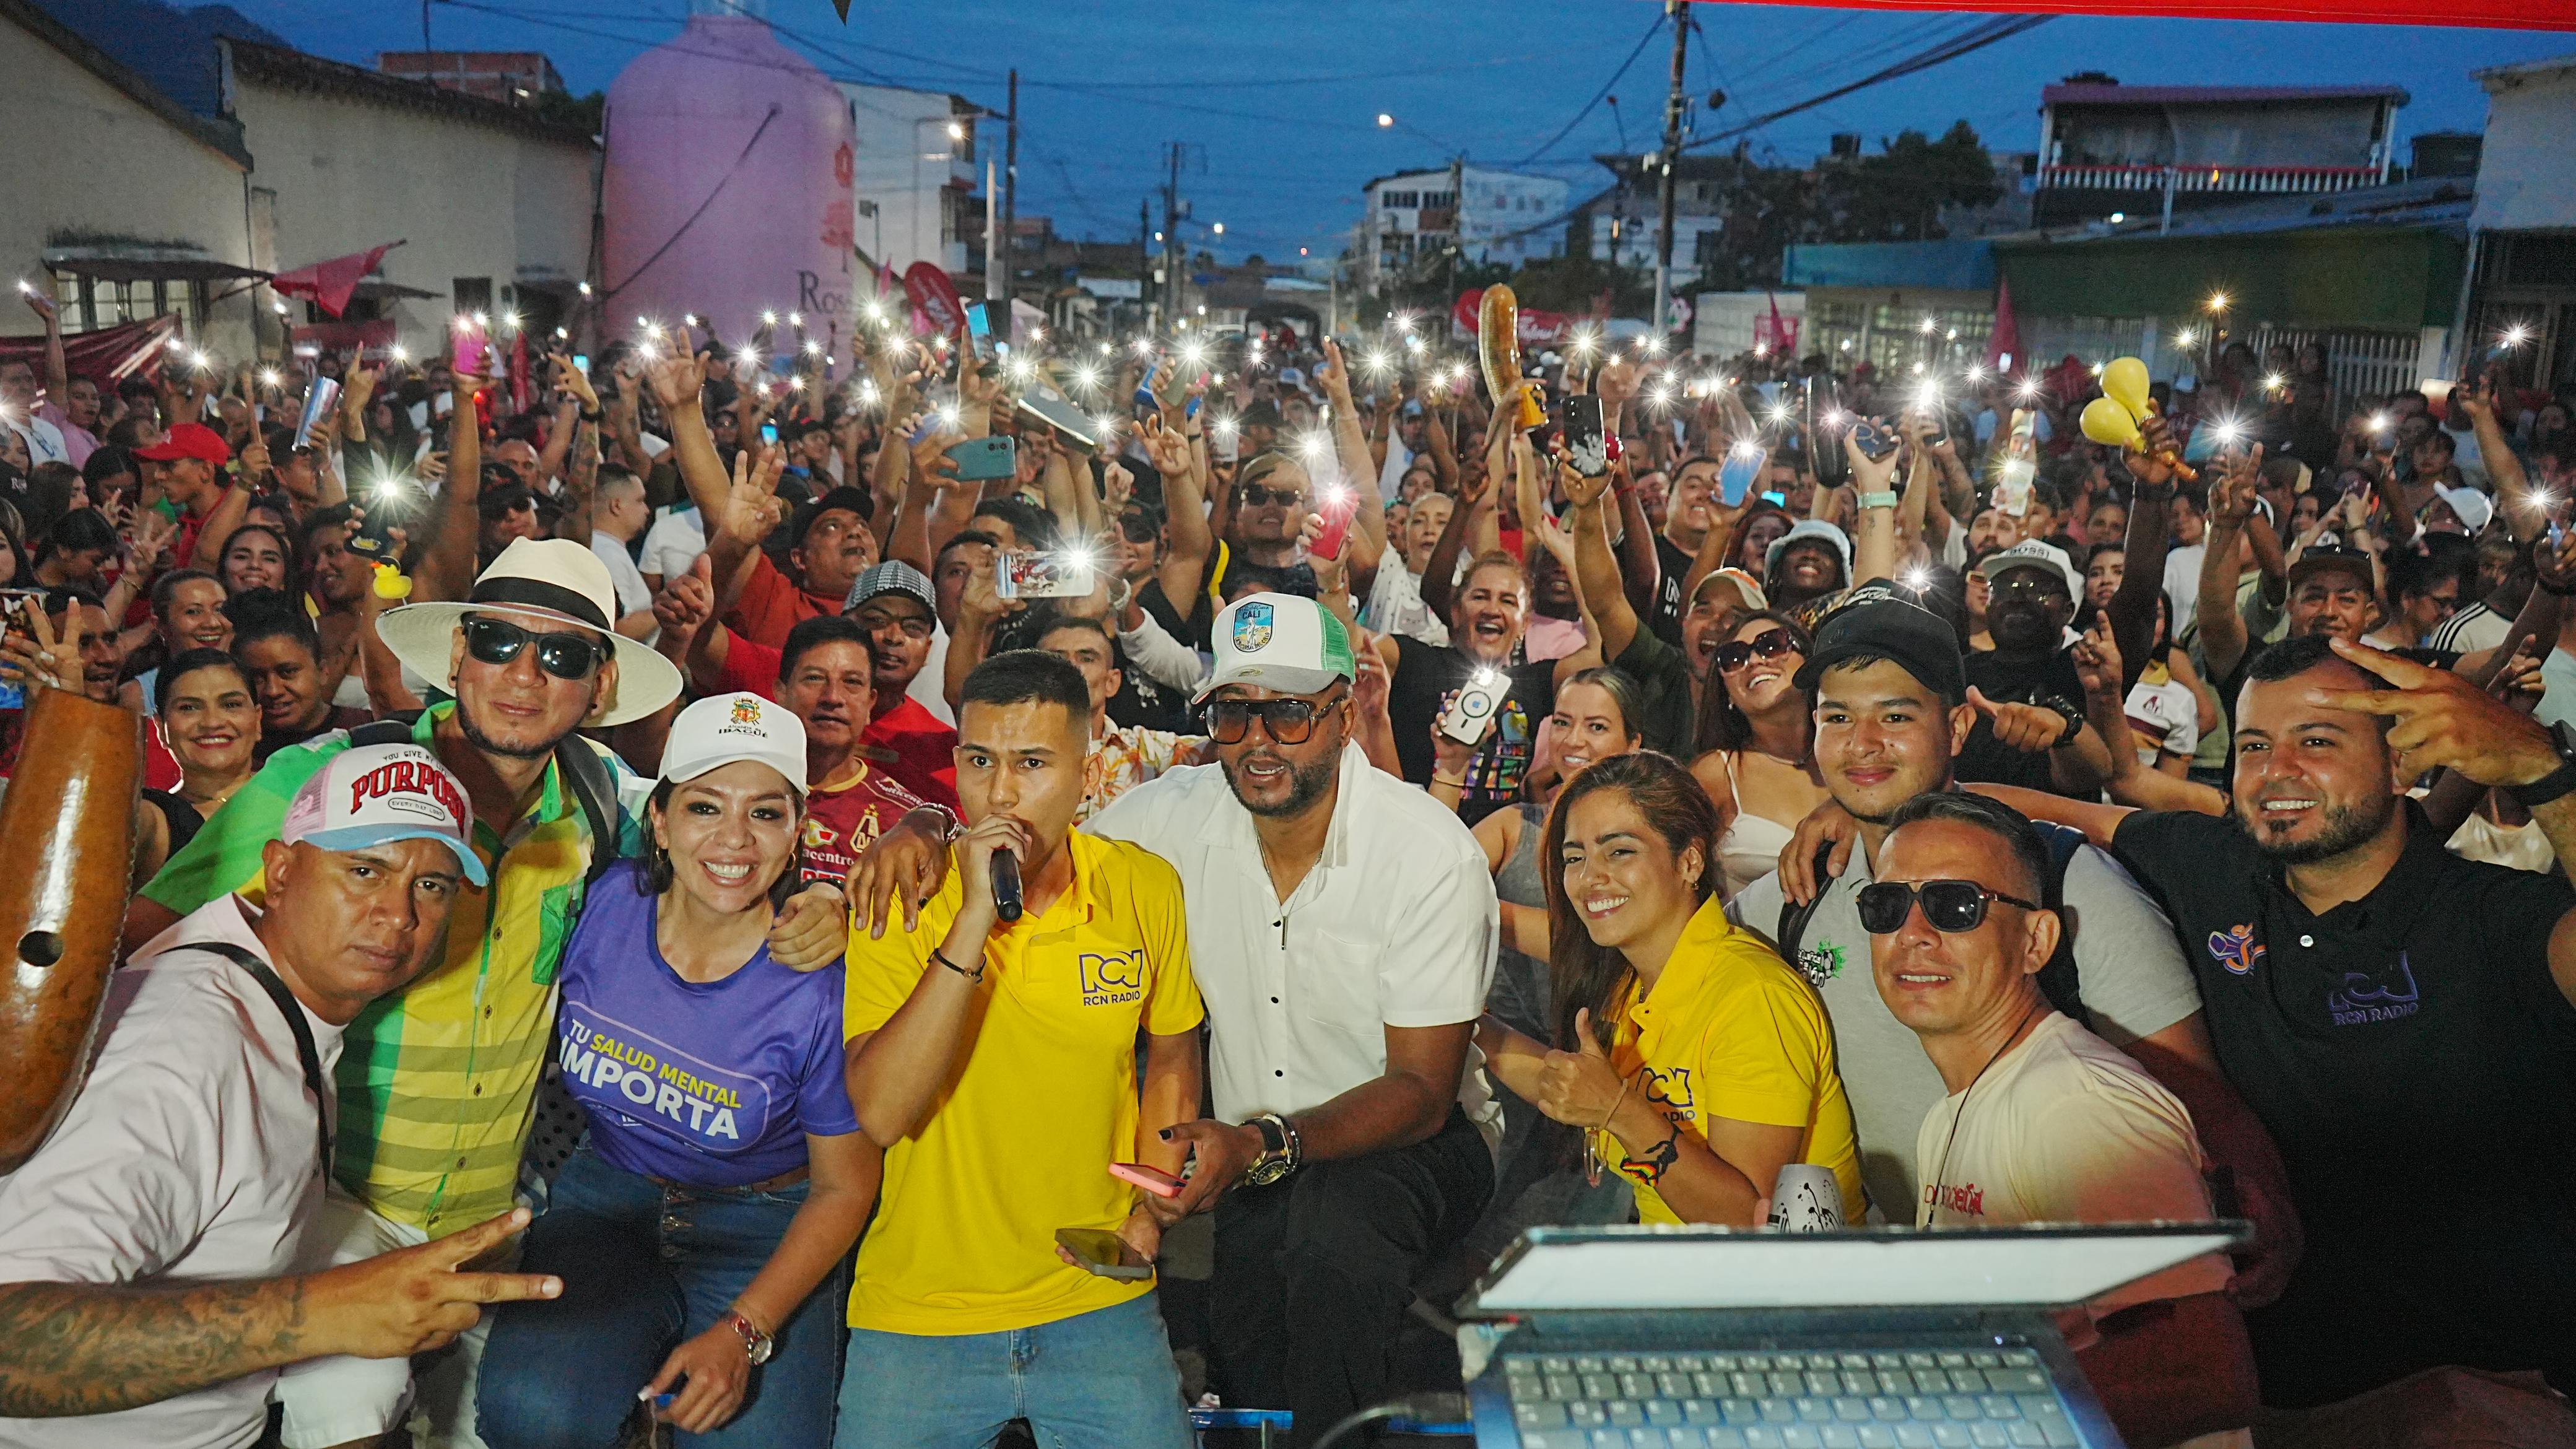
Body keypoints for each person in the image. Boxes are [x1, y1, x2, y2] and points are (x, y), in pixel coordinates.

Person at [129, 539, 845, 1449]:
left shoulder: (606, 805)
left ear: (599, 687)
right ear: (457, 654)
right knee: (332, 1412)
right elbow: (146, 945)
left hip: (494, 1228)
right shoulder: (326, 782)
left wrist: (836, 888)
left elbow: (729, 838)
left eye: (563, 654)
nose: (524, 674)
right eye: (501, 641)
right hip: (322, 1206)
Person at [1998, 632, 2576, 1412]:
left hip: (2488, 1396)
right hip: (2274, 1398)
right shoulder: (2213, 865)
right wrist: (1867, 821)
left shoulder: (2495, 922)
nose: (2276, 773)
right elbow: (2043, 815)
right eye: (2254, 745)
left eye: (2317, 741)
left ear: (2403, 761)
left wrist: (2543, 771)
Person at [1731, 591, 2299, 1305]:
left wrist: (2256, 1214)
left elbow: (2190, 1097)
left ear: (1958, 724)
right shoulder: (1793, 899)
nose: (1861, 743)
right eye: (1835, 718)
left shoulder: (2061, 882)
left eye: (1895, 715)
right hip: (1921, 1306)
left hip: (2073, 1309)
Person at [0, 742, 561, 1449]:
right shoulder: (182, 1054)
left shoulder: (273, 1005)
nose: (398, 914)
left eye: (433, 886)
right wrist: (327, 1315)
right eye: (364, 871)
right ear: (281, 869)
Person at [477, 694, 876, 1448]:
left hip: (766, 1226)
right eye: (704, 807)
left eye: (765, 813)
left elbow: (844, 1184)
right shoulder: (598, 906)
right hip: (608, 1199)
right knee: (532, 1414)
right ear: (659, 820)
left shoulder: (820, 976)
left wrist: (745, 1330)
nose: (734, 840)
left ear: (798, 832)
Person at [838, 651, 1203, 1449]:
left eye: (1031, 764)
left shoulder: (1143, 887)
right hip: (919, 1310)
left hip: (1096, 1295)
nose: (1000, 794)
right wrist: (972, 918)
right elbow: (881, 1111)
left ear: (1086, 767)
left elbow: (1172, 1049)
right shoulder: (902, 895)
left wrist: (1152, 1206)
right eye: (979, 762)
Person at [1865, 790, 2258, 1448]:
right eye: (1884, 906)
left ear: (2035, 941)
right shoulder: (1958, 1110)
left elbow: (2203, 1372)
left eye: (1954, 905)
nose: (1912, 934)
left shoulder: (2076, 1105)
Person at [1477, 751, 1865, 1224]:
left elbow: (1749, 1220)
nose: (1589, 878)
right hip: (1671, 1273)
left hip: (1777, 1288)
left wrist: (1621, 1112)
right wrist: (1463, 1027)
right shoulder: (1630, 985)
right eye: (1574, 857)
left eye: (1619, 851)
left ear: (1690, 862)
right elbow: (1574, 1089)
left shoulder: (1751, 998)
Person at [770, 614, 940, 890]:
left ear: (871, 703)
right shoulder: (737, 788)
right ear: (781, 692)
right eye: (814, 678)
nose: (833, 697)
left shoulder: (905, 822)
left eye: (852, 682)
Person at [1691, 612, 1834, 899]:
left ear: (1807, 660)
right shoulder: (1715, 774)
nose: (1755, 661)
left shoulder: (1852, 753)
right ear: (1727, 692)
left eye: (1772, 645)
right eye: (1734, 658)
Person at [1958, 541, 2117, 796]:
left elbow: (2095, 775)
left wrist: (2062, 727)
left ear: (2068, 610)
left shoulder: (2086, 673)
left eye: (2038, 590)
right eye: (2004, 588)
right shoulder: (1959, 674)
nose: (2017, 598)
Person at [1033, 612, 1206, 819]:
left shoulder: (1146, 751)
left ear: (1111, 683)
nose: (1071, 667)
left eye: (1087, 658)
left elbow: (1229, 753)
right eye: (1055, 659)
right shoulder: (1008, 751)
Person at [134, 648, 259, 885]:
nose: (212, 722)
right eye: (189, 708)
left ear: (258, 720)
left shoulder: (300, 792)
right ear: (161, 729)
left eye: (231, 705)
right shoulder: (156, 817)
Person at [227, 591, 363, 762]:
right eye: (257, 678)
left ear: (322, 671)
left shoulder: (365, 733)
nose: (273, 691)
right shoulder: (234, 747)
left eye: (288, 672)